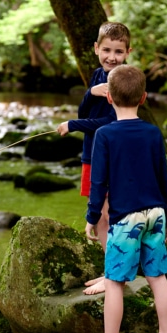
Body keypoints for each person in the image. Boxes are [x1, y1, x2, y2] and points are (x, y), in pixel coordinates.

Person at [85, 64, 167, 333]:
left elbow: (98, 182)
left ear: (108, 97)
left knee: (114, 282)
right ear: (144, 97)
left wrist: (92, 216)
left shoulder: (105, 134)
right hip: (156, 214)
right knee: (157, 277)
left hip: (126, 220)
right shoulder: (152, 133)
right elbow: (164, 178)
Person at [57, 21, 132, 295]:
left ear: (128, 52)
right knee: (100, 215)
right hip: (91, 154)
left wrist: (73, 126)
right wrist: (91, 91)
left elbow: (111, 121)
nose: (112, 57)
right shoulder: (97, 74)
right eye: (107, 50)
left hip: (110, 156)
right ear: (96, 48)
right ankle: (110, 270)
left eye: (119, 52)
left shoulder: (124, 80)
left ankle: (116, 274)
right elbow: (84, 110)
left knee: (108, 214)